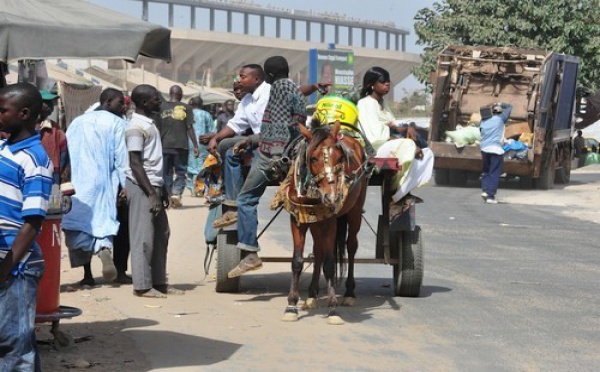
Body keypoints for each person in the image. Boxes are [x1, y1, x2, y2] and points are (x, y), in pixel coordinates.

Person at [226, 56, 307, 278]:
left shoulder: (278, 89)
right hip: (293, 147)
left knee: (246, 199)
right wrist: (251, 140)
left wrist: (275, 157)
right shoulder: (294, 88)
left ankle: (250, 253)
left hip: (272, 153)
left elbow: (279, 126)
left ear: (268, 76)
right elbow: (292, 125)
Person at [0, 83, 53, 371]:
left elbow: (33, 221)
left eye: (2, 110)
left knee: (15, 344)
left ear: (23, 114)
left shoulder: (36, 160)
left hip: (17, 266)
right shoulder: (3, 148)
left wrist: (8, 267)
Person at [62, 88, 129, 286]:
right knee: (103, 219)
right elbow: (121, 157)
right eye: (120, 103)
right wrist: (125, 185)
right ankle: (104, 249)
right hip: (104, 182)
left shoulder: (77, 122)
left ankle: (87, 276)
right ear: (107, 102)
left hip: (78, 184)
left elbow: (66, 151)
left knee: (79, 224)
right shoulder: (118, 124)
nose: (123, 106)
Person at [126, 84, 183, 298]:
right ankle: (142, 285)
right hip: (142, 186)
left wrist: (163, 190)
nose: (159, 101)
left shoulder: (150, 124)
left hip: (153, 185)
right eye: (155, 98)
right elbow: (135, 163)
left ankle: (159, 282)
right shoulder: (135, 127)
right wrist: (151, 193)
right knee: (144, 236)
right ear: (143, 102)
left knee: (161, 233)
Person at [357, 66, 434, 207]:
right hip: (375, 148)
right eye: (383, 81)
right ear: (372, 84)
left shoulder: (384, 104)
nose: (387, 84)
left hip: (390, 144)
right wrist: (399, 131)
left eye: (388, 81)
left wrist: (407, 128)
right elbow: (373, 135)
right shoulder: (365, 104)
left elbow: (393, 123)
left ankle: (403, 191)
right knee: (409, 146)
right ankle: (397, 194)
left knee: (427, 153)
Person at [206, 64, 270, 212]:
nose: (238, 80)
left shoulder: (270, 93)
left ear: (256, 79)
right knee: (225, 145)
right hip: (255, 140)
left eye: (243, 77)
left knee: (230, 150)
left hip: (271, 140)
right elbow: (235, 125)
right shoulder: (247, 100)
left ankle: (234, 195)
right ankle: (230, 195)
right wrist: (215, 138)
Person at [158, 85, 200, 208]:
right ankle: (176, 193)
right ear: (180, 94)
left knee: (166, 172)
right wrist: (195, 145)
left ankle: (169, 194)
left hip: (164, 145)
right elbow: (189, 127)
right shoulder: (186, 108)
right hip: (181, 145)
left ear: (170, 93)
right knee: (181, 172)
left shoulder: (161, 107)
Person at [36, 90, 74, 212]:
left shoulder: (55, 131)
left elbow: (65, 163)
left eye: (51, 103)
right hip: (24, 187)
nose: (51, 107)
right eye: (46, 102)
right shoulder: (18, 128)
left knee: (50, 222)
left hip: (52, 184)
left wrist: (66, 191)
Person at [480, 102, 512, 204]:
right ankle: (490, 196)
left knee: (486, 171)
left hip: (484, 148)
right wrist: (500, 103)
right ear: (500, 112)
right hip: (496, 150)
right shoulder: (500, 119)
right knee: (494, 172)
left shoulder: (483, 121)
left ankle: (485, 190)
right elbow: (510, 107)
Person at [187, 96, 215, 196]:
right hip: (203, 143)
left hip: (188, 142)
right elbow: (213, 131)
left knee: (189, 165)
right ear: (202, 104)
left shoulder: (187, 114)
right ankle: (199, 187)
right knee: (201, 166)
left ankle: (191, 187)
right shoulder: (206, 115)